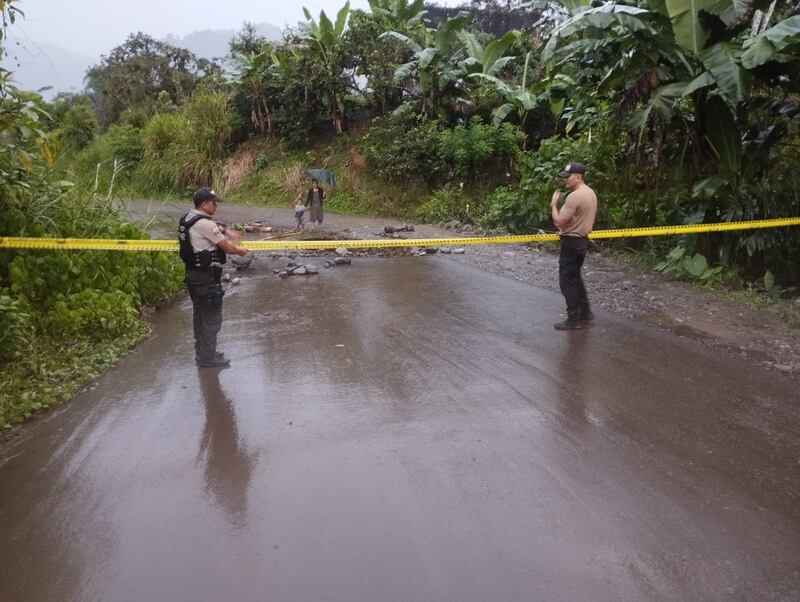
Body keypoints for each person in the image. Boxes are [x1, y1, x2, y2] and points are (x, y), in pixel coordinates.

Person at [178, 187, 248, 367]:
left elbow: (212, 226)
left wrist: (226, 230)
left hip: (194, 275)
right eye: (213, 202)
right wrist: (240, 251)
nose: (216, 205)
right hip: (206, 278)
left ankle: (203, 353)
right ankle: (207, 358)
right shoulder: (205, 225)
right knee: (211, 316)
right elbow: (228, 248)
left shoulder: (187, 219)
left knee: (200, 315)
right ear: (204, 205)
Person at [550, 162, 597, 330]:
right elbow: (577, 220)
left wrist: (553, 204)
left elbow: (558, 221)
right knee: (575, 277)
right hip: (582, 241)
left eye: (568, 177)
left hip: (571, 243)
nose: (565, 181)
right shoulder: (590, 193)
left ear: (577, 177)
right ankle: (585, 312)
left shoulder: (574, 196)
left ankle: (573, 319)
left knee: (567, 281)